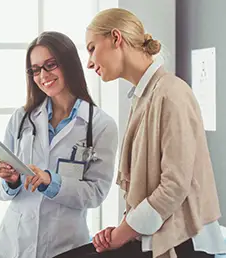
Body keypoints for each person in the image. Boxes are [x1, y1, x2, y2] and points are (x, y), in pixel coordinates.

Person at [54, 8, 226, 258]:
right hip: (148, 236)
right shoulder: (143, 97)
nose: (89, 63)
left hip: (182, 242)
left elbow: (174, 187)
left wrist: (120, 235)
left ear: (116, 38)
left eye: (92, 48)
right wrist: (124, 229)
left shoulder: (172, 93)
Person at [0, 31, 118, 258]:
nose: (43, 75)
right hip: (14, 244)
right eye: (36, 69)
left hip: (66, 245)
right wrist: (10, 181)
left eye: (51, 65)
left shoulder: (100, 125)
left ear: (69, 64)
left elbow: (96, 193)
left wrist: (52, 182)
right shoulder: (21, 119)